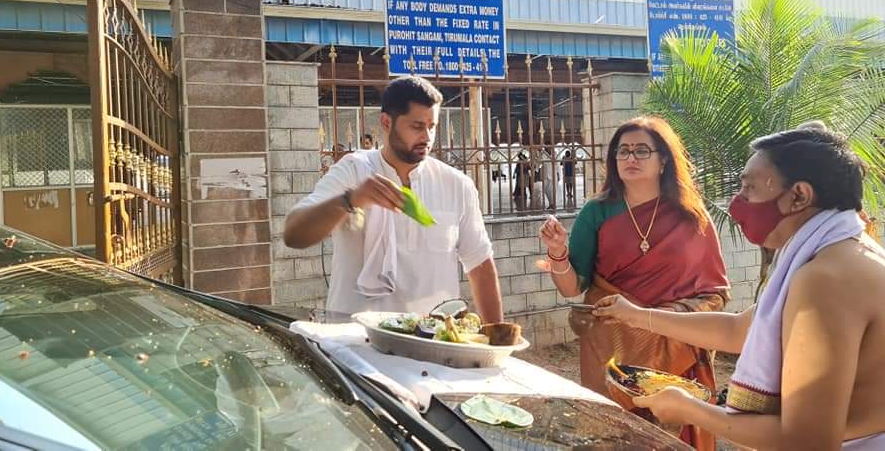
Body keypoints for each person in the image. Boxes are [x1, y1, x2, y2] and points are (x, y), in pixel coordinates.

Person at [594, 126, 885, 450]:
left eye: (749, 188)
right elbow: (737, 329)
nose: (738, 202)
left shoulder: (825, 281)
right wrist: (636, 316)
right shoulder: (843, 250)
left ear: (799, 196)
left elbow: (808, 441)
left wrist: (690, 409)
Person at [536, 116, 730, 451]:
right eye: (622, 151)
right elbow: (571, 288)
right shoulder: (597, 211)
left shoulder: (690, 214)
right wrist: (557, 254)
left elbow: (715, 292)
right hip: (610, 346)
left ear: (664, 159)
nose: (630, 158)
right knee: (611, 434)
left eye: (641, 150)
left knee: (671, 434)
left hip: (677, 346)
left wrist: (660, 320)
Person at [284, 76, 503, 323]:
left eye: (432, 126)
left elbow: (480, 265)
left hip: (433, 341)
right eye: (417, 126)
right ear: (386, 122)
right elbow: (293, 234)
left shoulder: (455, 184)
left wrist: (497, 341)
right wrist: (351, 200)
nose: (427, 137)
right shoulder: (354, 171)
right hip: (356, 343)